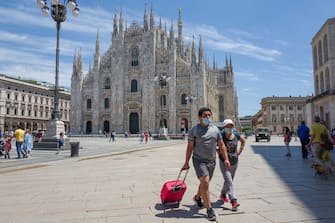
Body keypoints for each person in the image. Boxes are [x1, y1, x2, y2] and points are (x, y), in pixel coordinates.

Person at [182, 107, 230, 221]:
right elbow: (190, 147)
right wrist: (186, 162)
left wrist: (226, 159)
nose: (208, 117)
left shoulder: (215, 130)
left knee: (205, 184)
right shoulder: (194, 130)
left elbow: (222, 145)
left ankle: (198, 197)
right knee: (205, 181)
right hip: (199, 160)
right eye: (205, 115)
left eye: (209, 115)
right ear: (199, 117)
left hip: (211, 161)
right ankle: (209, 209)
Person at [218, 119, 245, 211]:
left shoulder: (236, 135)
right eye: (227, 126)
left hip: (234, 161)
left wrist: (240, 150)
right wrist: (218, 152)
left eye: (231, 126)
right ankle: (233, 200)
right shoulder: (221, 135)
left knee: (229, 181)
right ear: (224, 127)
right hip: (224, 161)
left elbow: (243, 141)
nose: (229, 128)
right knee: (229, 180)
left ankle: (222, 194)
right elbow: (215, 145)